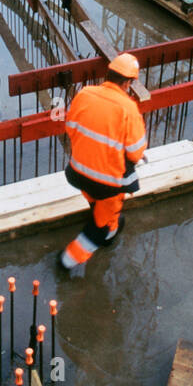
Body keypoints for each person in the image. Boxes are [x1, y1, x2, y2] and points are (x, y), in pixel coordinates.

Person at [58, 52, 148, 271]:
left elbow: (70, 128)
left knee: (102, 207)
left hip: (76, 173)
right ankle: (69, 259)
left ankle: (112, 227)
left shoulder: (85, 93)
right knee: (99, 226)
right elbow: (136, 153)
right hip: (106, 184)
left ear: (108, 74)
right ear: (128, 82)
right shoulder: (128, 108)